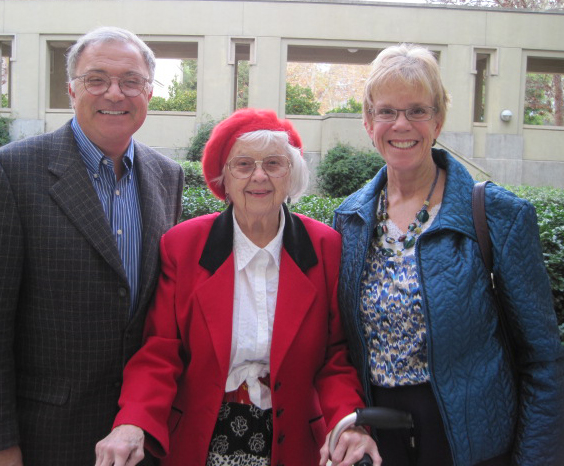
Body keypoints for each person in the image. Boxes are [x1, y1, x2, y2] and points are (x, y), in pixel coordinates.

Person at [94, 108, 381, 466]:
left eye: (274, 163)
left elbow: (334, 358)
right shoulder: (183, 246)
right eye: (243, 164)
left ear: (291, 175)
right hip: (200, 435)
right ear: (223, 179)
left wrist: (347, 423)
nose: (259, 176)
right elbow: (160, 351)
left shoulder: (325, 247)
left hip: (294, 442)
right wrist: (133, 420)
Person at [0, 26, 183, 466]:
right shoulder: (10, 172)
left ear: (149, 92)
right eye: (96, 79)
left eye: (130, 80)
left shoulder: (166, 175)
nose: (114, 93)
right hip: (47, 437)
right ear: (71, 89)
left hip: (143, 435)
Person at [333, 43, 564, 466]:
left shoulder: (499, 216)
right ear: (368, 122)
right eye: (386, 111)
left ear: (438, 120)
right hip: (379, 442)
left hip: (470, 442)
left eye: (417, 110)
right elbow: (338, 347)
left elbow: (543, 360)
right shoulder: (348, 220)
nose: (401, 124)